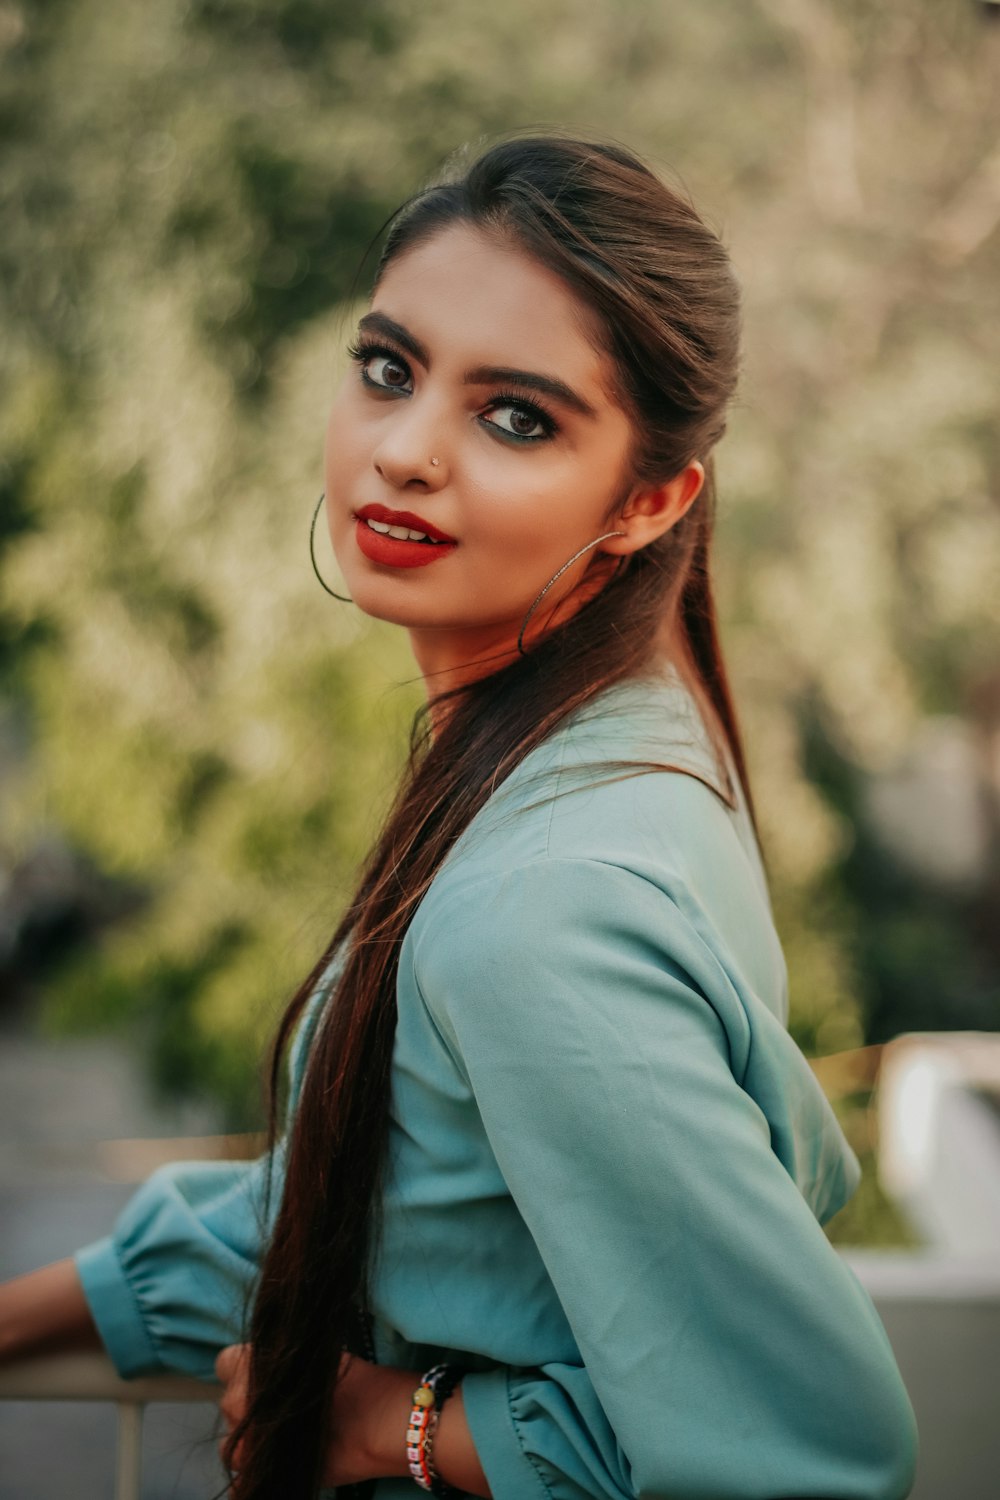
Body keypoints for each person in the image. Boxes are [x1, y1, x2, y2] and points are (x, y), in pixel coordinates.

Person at [0, 132, 919, 1500]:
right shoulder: (625, 734)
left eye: (517, 416)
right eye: (388, 367)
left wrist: (396, 1430)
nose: (406, 452)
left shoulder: (538, 913)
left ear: (650, 501)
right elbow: (395, 1205)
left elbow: (809, 1452)